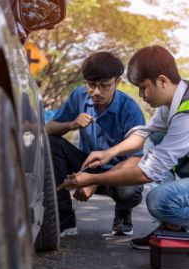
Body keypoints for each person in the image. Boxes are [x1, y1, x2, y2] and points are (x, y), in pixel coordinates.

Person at [57, 45, 189, 249]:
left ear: (162, 81)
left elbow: (148, 172)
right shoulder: (183, 92)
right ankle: (170, 227)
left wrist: (93, 179)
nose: (141, 95)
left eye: (143, 87)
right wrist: (109, 153)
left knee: (159, 201)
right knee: (155, 139)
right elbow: (146, 132)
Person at [46, 51, 146, 237]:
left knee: (129, 193)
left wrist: (95, 180)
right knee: (52, 143)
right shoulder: (79, 96)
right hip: (87, 165)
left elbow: (137, 159)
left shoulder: (130, 109)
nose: (96, 92)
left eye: (104, 86)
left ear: (117, 81)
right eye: (91, 85)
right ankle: (64, 218)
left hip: (119, 172)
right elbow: (48, 128)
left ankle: (123, 213)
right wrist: (71, 124)